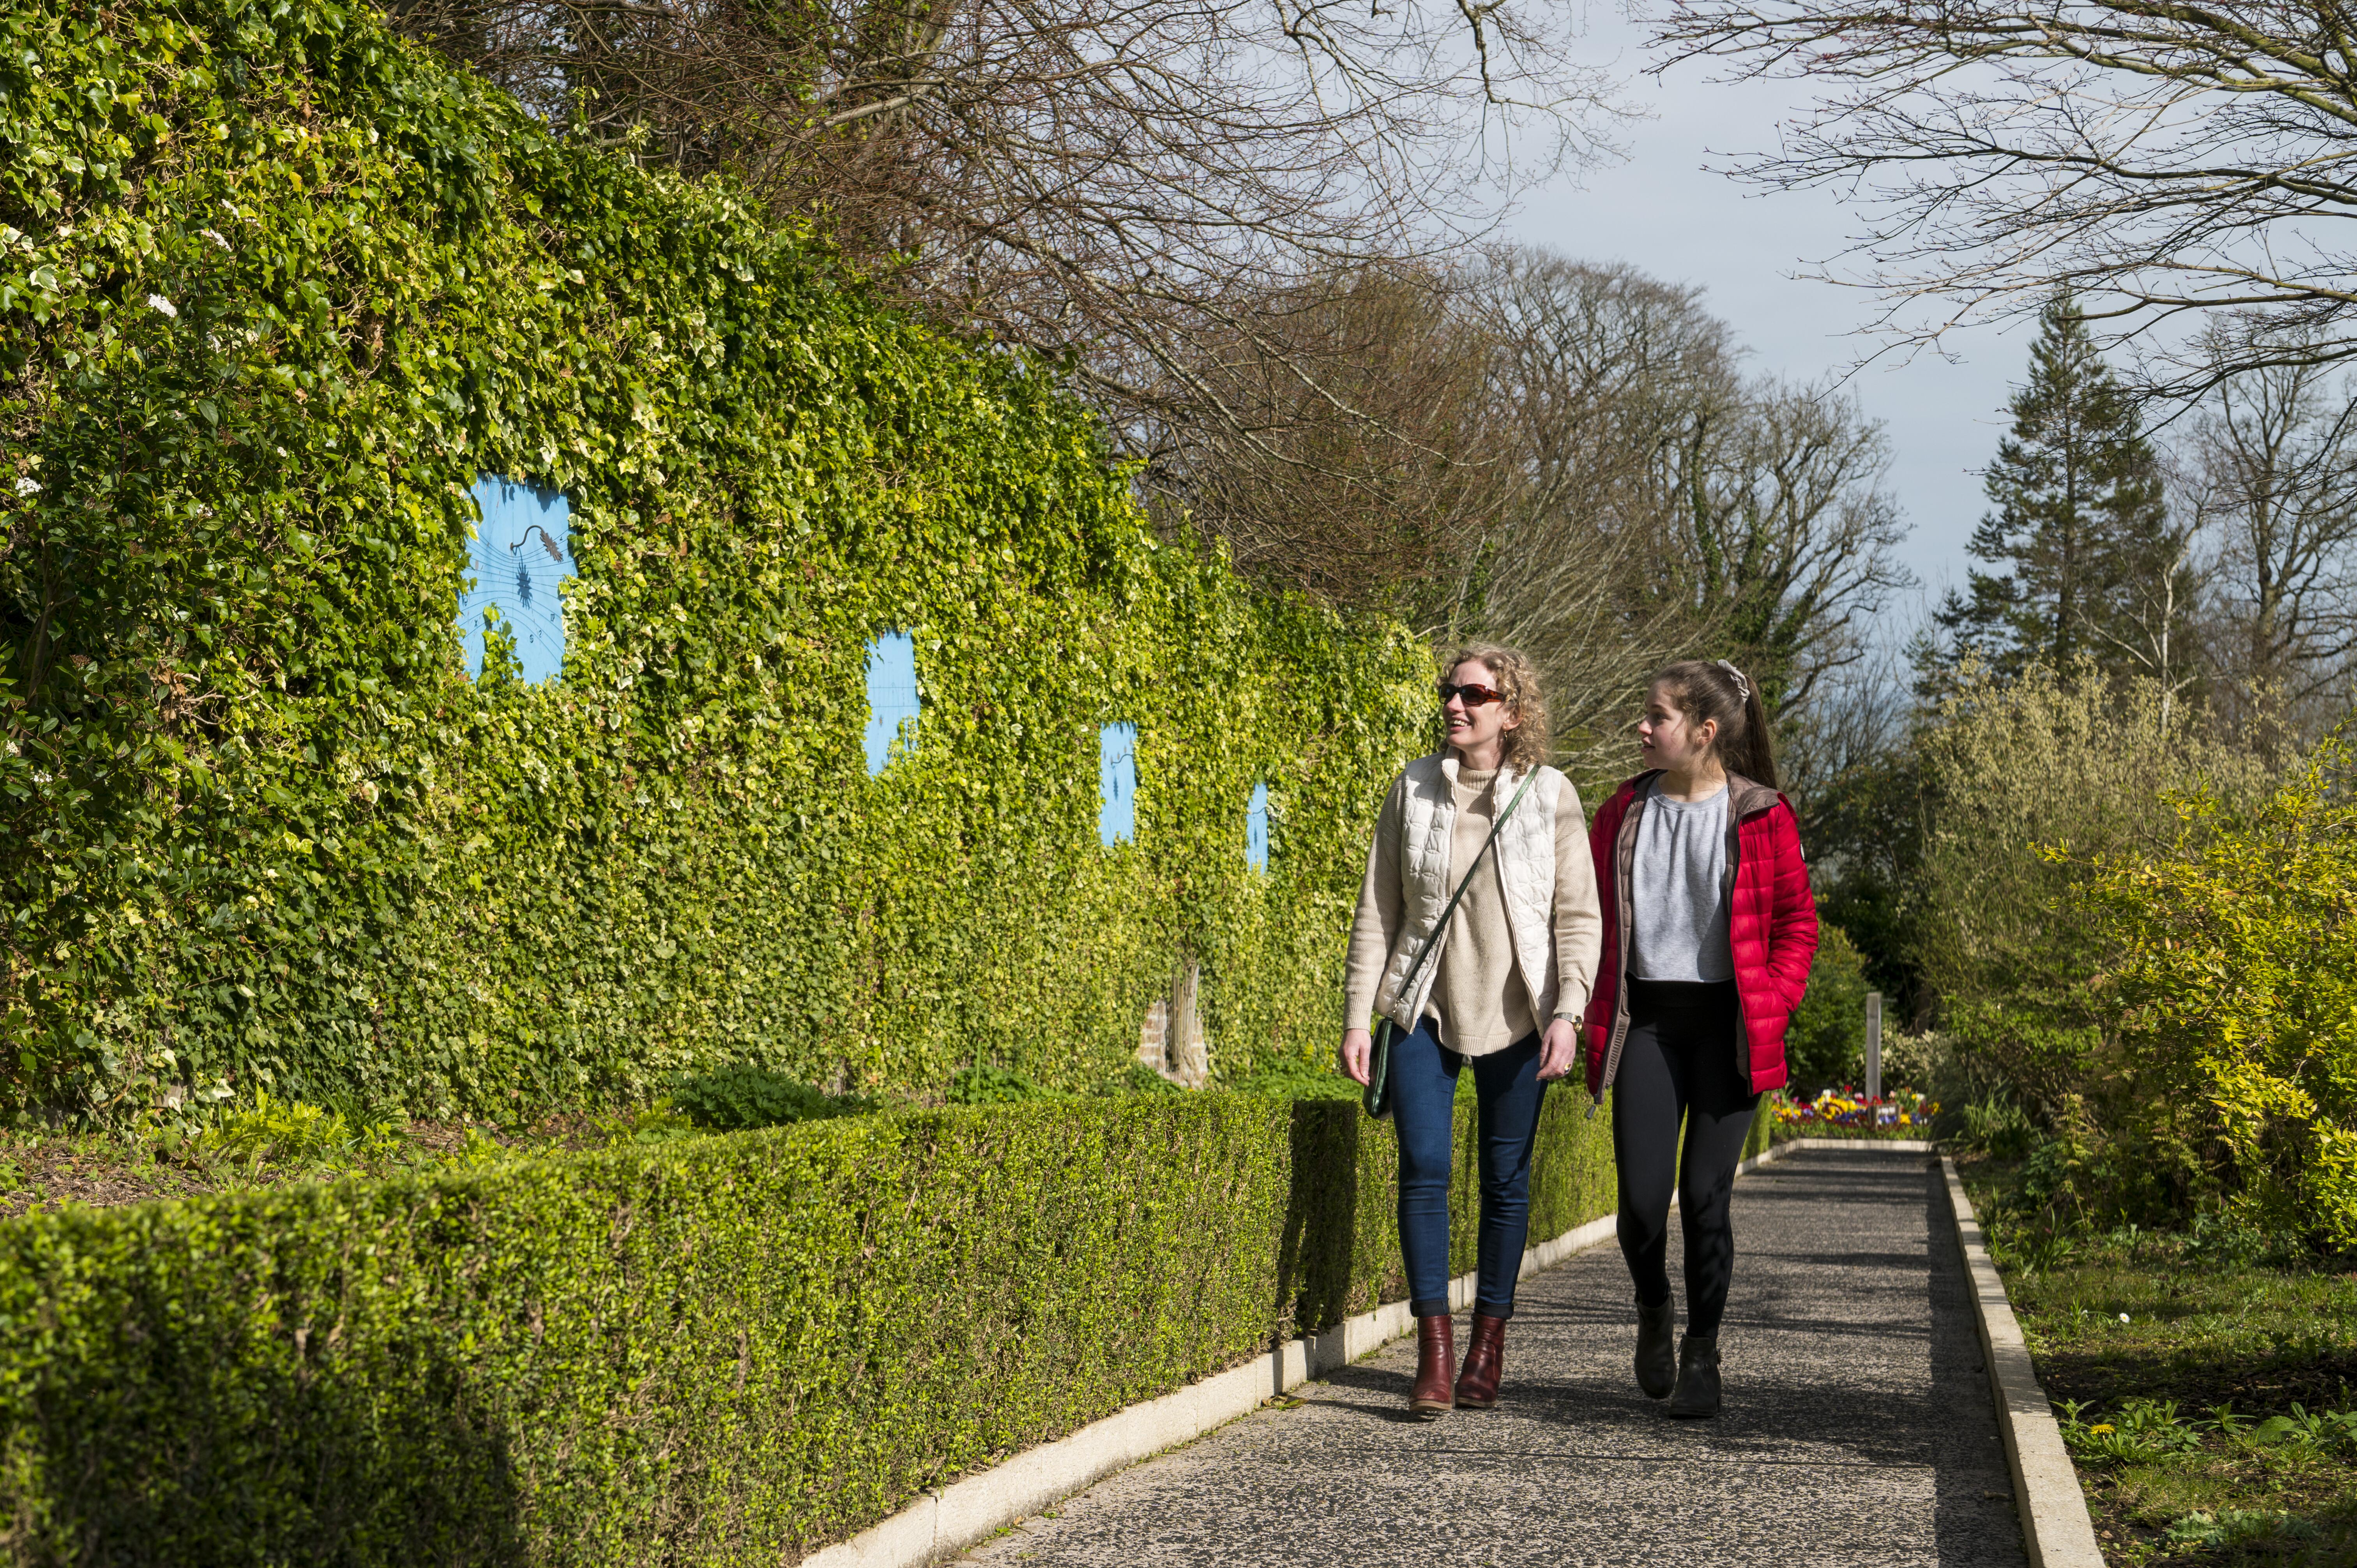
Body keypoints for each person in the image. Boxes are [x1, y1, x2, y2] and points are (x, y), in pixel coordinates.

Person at [1339, 644, 1603, 1418]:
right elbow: (1378, 911)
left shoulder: (1552, 795)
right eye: (1450, 693)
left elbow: (1577, 917)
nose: (1456, 705)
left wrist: (1569, 1009)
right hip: (1424, 1005)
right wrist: (1360, 1016)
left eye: (1474, 695)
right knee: (1423, 1163)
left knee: (1504, 1179)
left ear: (1512, 713)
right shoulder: (1413, 787)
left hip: (1520, 1010)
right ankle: (1435, 1350)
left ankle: (1489, 1343)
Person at [1583, 659, 1818, 1418]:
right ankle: (1654, 1306)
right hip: (1649, 1023)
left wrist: (1773, 1004)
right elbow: (1586, 917)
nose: (1642, 728)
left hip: (1730, 1030)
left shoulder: (1761, 814)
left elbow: (1797, 925)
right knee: (1644, 1206)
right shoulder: (1622, 810)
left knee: (1708, 1198)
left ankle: (1703, 1353)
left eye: (1657, 716)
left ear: (1705, 731)